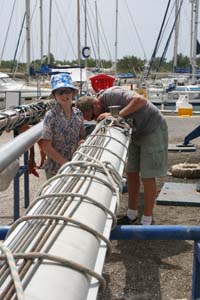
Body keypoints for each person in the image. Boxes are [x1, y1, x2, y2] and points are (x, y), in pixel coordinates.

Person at [76, 86, 168, 225]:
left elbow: (140, 100)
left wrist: (116, 115)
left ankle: (147, 219)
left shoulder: (113, 94)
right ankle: (132, 214)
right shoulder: (101, 106)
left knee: (148, 175)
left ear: (96, 104)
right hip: (135, 132)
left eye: (94, 116)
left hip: (151, 128)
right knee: (131, 172)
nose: (96, 119)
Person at [40, 73, 85, 179]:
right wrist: (66, 164)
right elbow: (46, 146)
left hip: (75, 166)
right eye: (60, 92)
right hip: (55, 171)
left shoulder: (78, 114)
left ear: (73, 93)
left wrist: (81, 142)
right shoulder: (50, 116)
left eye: (67, 91)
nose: (65, 96)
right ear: (55, 95)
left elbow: (81, 136)